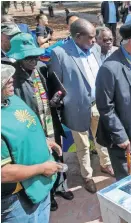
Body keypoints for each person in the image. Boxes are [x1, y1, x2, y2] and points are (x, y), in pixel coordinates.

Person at [6, 33, 73, 211]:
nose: (33, 60)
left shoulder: (42, 68)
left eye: (35, 56)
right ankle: (48, 195)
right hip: (32, 128)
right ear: (18, 58)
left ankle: (61, 186)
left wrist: (57, 99)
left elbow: (57, 89)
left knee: (58, 154)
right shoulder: (13, 78)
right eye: (28, 57)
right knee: (41, 160)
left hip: (51, 124)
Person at [50, 19, 113, 194]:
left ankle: (106, 165)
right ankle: (87, 176)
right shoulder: (59, 54)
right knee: (83, 145)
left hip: (98, 104)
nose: (95, 41)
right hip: (77, 109)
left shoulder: (94, 49)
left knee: (102, 138)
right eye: (91, 38)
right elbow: (57, 85)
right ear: (78, 37)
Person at [1, 64, 62, 222]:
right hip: (17, 201)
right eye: (4, 79)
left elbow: (24, 129)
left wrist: (43, 142)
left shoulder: (11, 100)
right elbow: (3, 173)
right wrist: (42, 168)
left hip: (40, 186)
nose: (11, 80)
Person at [95, 19, 131, 181]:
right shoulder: (109, 68)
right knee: (125, 180)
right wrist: (120, 136)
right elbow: (105, 107)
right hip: (122, 138)